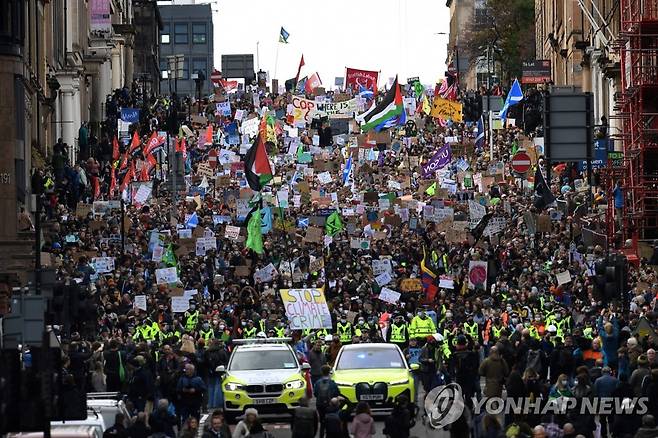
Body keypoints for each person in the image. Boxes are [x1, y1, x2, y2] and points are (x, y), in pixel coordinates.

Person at [313, 364, 340, 438]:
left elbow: (315, 394)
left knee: (322, 422)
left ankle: (321, 435)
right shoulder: (332, 383)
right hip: (330, 405)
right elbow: (337, 393)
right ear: (329, 372)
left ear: (322, 372)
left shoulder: (318, 383)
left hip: (320, 405)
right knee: (330, 421)